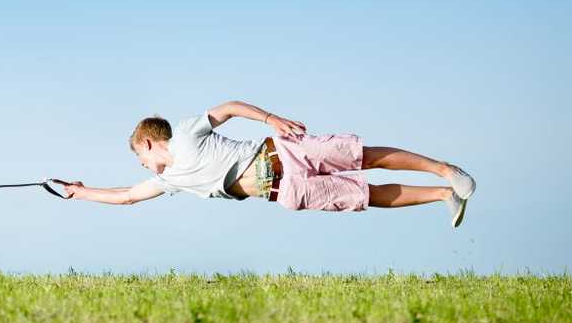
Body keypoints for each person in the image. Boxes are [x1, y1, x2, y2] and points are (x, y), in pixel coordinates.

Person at [59, 100, 476, 227]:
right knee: (368, 197)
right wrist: (80, 193)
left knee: (365, 157)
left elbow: (227, 109)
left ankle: (445, 170)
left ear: (149, 143)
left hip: (284, 152)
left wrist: (271, 119)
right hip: (286, 189)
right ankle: (444, 195)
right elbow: (127, 197)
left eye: (140, 157)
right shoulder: (174, 182)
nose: (143, 167)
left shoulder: (186, 133)